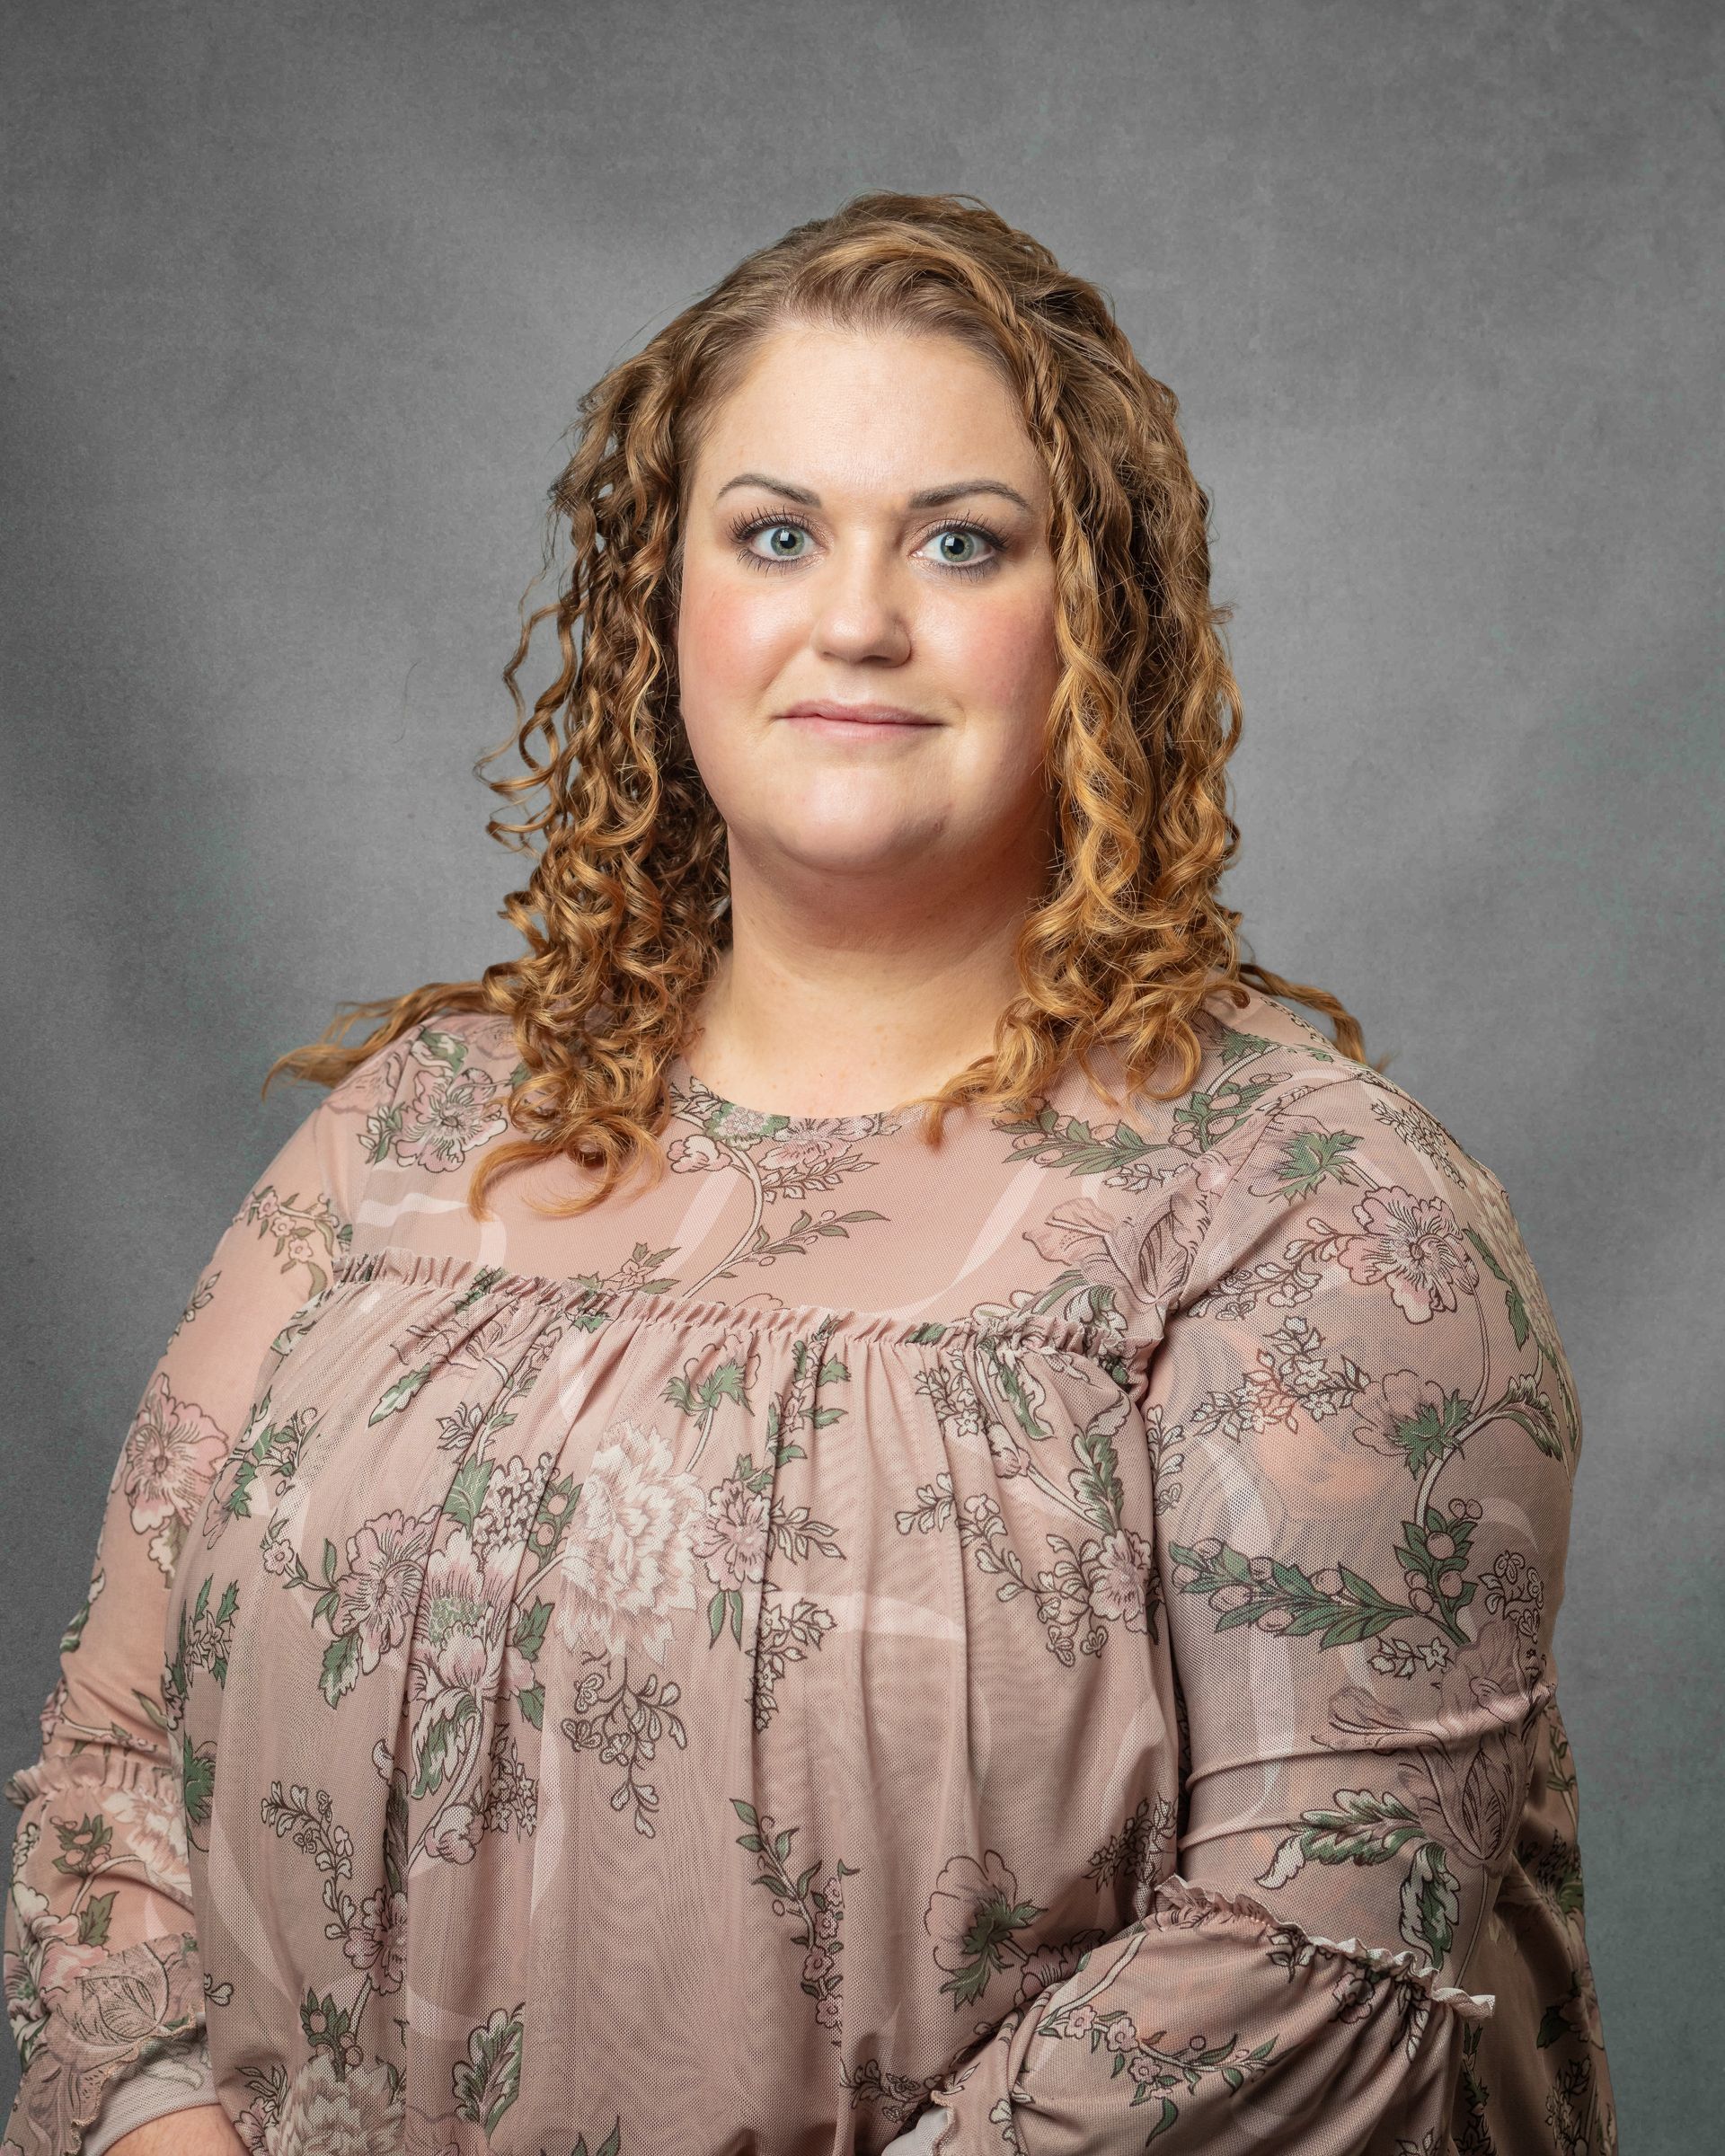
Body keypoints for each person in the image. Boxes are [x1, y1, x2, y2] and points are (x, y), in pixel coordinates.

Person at [3, 190, 1615, 2156]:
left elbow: (1313, 1956)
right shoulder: (413, 1137)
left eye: (961, 542)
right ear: (662, 606)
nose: (859, 617)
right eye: (777, 535)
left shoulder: (1304, 1215)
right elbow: (110, 1769)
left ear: (1095, 618)